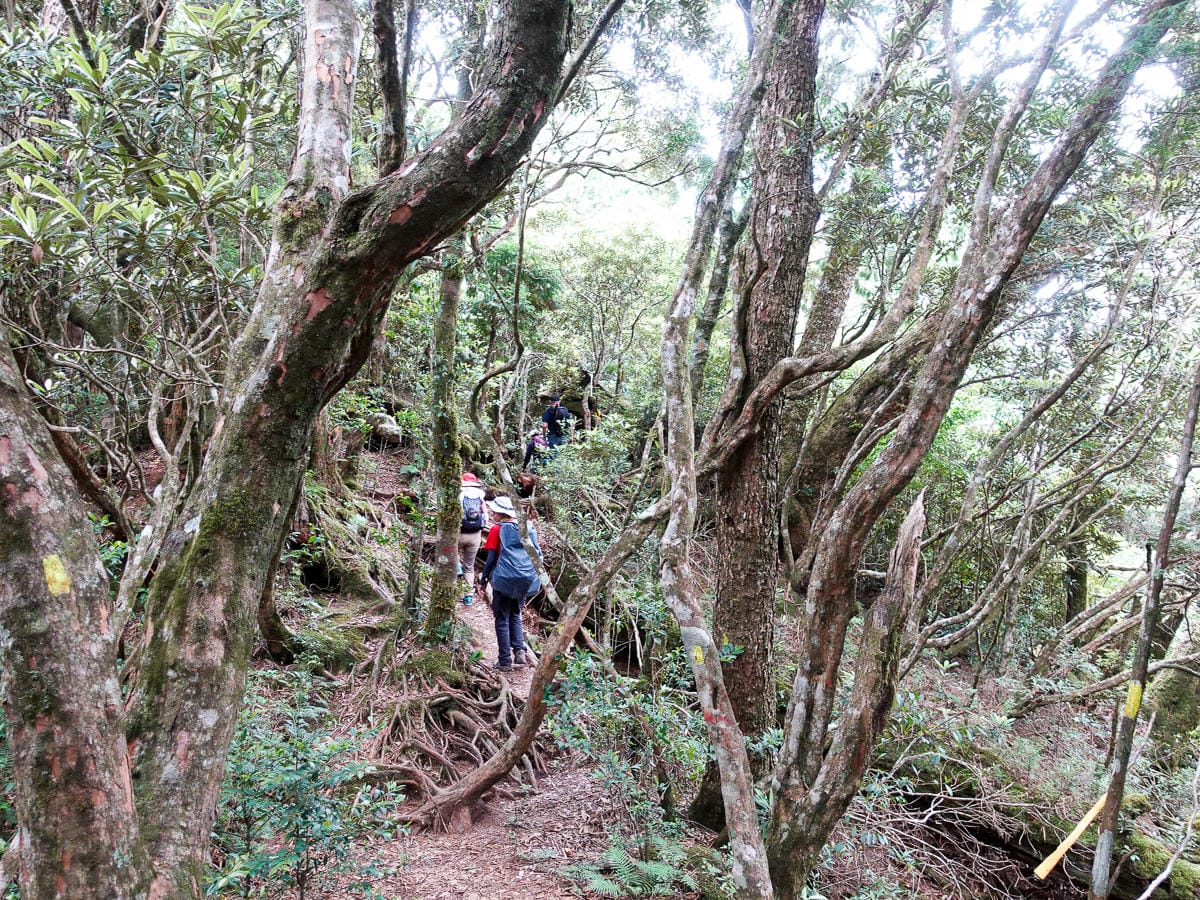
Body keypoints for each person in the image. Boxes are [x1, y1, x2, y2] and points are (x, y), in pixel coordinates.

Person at [478, 495, 542, 671]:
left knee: (501, 619)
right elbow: (537, 554)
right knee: (515, 614)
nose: (492, 513)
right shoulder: (527, 527)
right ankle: (519, 652)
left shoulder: (497, 530)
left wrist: (484, 579)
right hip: (524, 579)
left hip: (504, 579)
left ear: (500, 513)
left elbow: (490, 559)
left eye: (494, 511)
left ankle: (505, 660)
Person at [458, 472, 488, 606]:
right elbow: (485, 518)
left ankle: (457, 569)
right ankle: (468, 597)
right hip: (475, 535)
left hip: (459, 533)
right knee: (469, 566)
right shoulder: (481, 494)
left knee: (450, 557)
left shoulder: (459, 492)